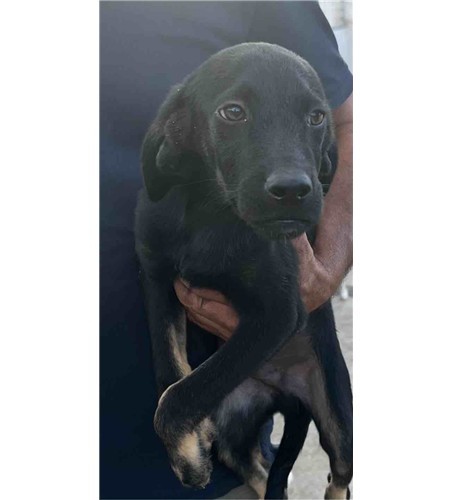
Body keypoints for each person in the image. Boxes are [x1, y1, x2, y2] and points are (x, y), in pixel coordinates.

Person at [100, 2, 352, 498]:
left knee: (338, 442)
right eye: (234, 113)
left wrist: (325, 266)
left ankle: (337, 481)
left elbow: (350, 123)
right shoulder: (158, 208)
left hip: (212, 438)